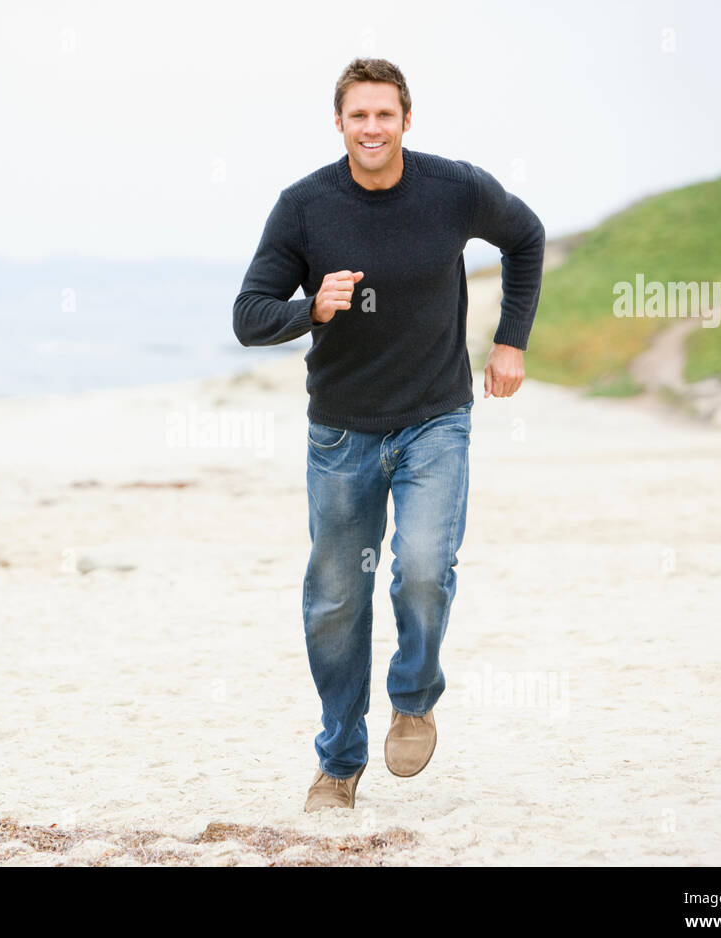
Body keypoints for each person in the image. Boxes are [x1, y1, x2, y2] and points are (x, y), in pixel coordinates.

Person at [231, 57, 545, 812]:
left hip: (436, 417)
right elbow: (248, 316)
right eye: (358, 116)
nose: (372, 128)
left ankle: (413, 697)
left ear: (407, 120)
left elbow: (526, 237)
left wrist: (510, 342)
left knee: (426, 568)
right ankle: (338, 762)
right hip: (342, 435)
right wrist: (311, 308)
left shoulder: (454, 189)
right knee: (336, 600)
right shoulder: (304, 207)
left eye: (385, 114)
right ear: (338, 124)